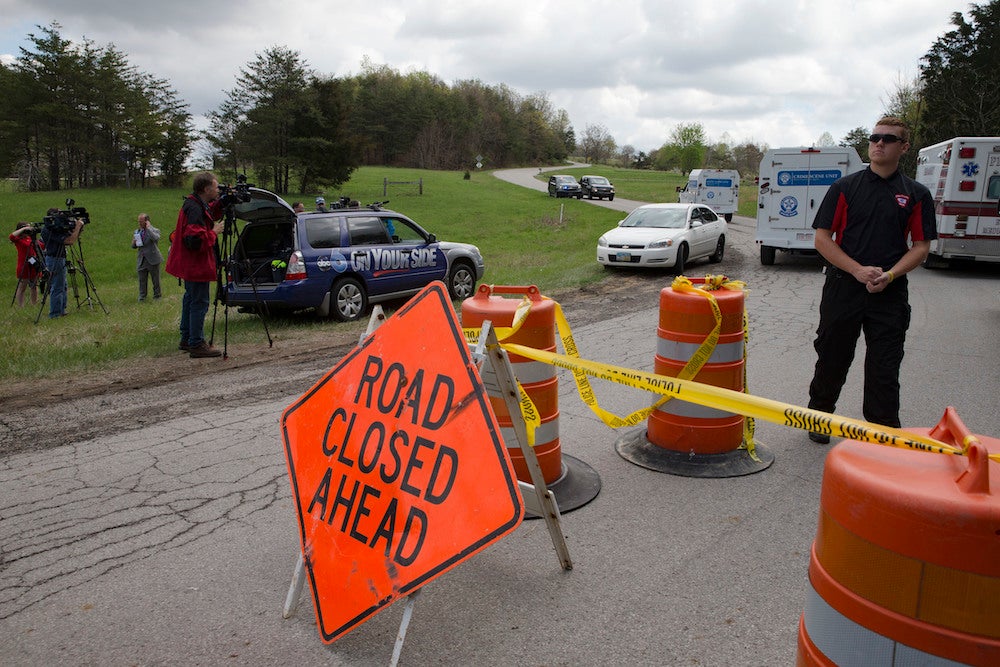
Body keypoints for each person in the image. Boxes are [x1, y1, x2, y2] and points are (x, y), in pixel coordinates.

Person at [806, 116, 937, 443]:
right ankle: (820, 417)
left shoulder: (916, 194)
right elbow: (822, 239)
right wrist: (856, 270)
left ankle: (882, 432)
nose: (879, 143)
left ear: (903, 147)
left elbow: (921, 247)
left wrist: (890, 275)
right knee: (832, 357)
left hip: (889, 293)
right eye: (875, 137)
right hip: (844, 288)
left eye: (888, 139)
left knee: (884, 367)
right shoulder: (844, 188)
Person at [165, 171, 225, 358]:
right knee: (199, 302)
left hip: (190, 264)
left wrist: (222, 202)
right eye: (216, 187)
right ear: (206, 189)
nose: (218, 190)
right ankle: (197, 343)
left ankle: (187, 338)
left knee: (190, 299)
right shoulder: (195, 209)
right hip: (195, 264)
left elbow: (210, 211)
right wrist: (214, 232)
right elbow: (195, 241)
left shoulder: (195, 204)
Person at [39, 208, 84, 319]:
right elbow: (69, 241)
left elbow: (70, 237)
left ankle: (61, 309)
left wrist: (76, 228)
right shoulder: (49, 230)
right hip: (54, 259)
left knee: (63, 285)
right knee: (57, 286)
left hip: (59, 258)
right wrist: (78, 227)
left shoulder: (55, 228)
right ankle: (55, 313)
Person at [9, 222, 44, 306]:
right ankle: (21, 305)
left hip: (34, 264)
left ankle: (34, 303)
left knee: (34, 285)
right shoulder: (19, 239)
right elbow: (11, 236)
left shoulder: (31, 239)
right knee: (22, 286)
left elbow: (41, 246)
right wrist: (24, 229)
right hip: (24, 265)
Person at [132, 213, 163, 301]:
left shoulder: (155, 230)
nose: (139, 223)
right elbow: (134, 246)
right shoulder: (137, 231)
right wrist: (134, 242)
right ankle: (142, 297)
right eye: (138, 221)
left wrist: (148, 228)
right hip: (142, 259)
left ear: (147, 221)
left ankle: (157, 296)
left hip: (153, 258)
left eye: (141, 221)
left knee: (155, 279)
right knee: (142, 280)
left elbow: (155, 238)